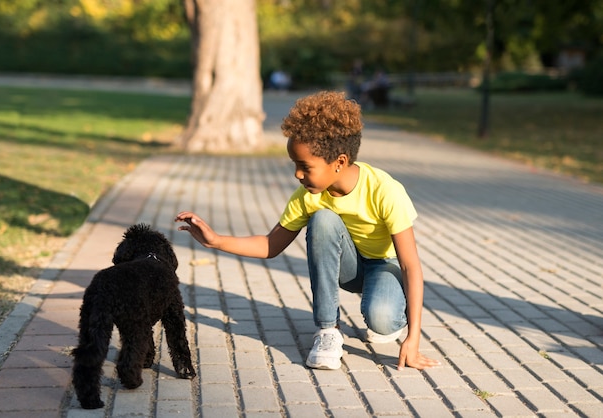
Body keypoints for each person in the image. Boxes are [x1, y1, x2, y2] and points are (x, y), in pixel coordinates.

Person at [174, 91, 440, 371]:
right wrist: (216, 241)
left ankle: (388, 308)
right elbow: (270, 245)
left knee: (382, 323)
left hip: (387, 265)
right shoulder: (308, 195)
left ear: (339, 161)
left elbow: (411, 266)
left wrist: (414, 338)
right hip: (350, 268)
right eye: (295, 165)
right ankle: (328, 332)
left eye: (305, 167)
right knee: (322, 219)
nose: (297, 175)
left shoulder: (384, 191)